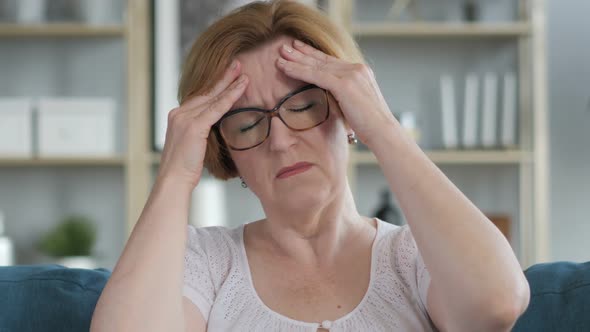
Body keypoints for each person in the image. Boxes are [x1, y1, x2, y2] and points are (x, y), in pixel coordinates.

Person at [90, 1, 530, 331]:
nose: (280, 141)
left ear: (347, 112)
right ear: (226, 152)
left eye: (301, 105)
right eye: (246, 124)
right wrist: (176, 175)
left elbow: (496, 305)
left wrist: (382, 128)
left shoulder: (413, 256)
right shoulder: (203, 262)